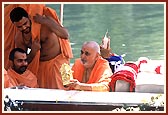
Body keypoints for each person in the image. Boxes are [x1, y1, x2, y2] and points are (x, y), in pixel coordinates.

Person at [8, 5, 73, 89]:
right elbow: (23, 62)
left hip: (59, 63)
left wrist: (46, 21)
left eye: (25, 23)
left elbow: (65, 35)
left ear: (28, 17)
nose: (24, 28)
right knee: (43, 95)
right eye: (19, 27)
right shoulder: (19, 37)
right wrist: (33, 52)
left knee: (64, 93)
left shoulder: (46, 22)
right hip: (40, 67)